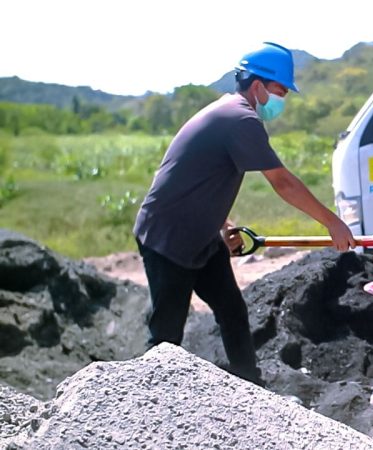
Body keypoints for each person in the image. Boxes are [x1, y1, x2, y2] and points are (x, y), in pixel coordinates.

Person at [132, 42, 356, 386]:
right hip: (169, 238)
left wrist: (223, 224)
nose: (283, 100)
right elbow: (283, 183)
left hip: (203, 237)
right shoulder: (240, 119)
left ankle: (250, 386)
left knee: (233, 312)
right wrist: (333, 223)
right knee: (166, 337)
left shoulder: (230, 113)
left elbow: (200, 176)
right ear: (257, 86)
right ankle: (143, 404)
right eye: (280, 91)